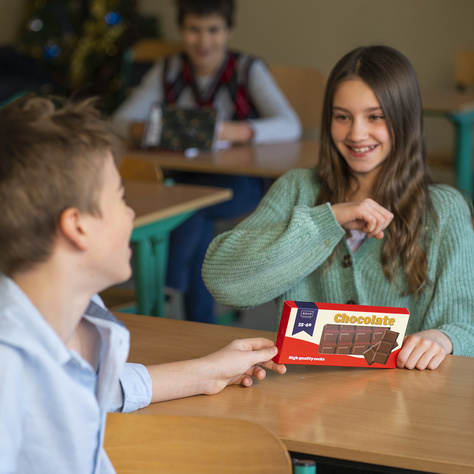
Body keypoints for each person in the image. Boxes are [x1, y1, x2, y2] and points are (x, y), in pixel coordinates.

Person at [0, 95, 287, 473]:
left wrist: (210, 371)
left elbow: (107, 389)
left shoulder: (81, 316)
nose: (132, 212)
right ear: (78, 227)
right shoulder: (10, 369)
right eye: (121, 197)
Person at [202, 45, 474, 370]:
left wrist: (444, 339)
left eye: (376, 117)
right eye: (342, 117)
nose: (356, 134)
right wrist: (328, 221)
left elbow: (465, 325)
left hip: (402, 404)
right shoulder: (297, 188)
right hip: (302, 401)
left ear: (404, 119)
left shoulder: (444, 209)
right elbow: (222, 281)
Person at [112, 0, 301, 324]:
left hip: (242, 183)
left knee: (191, 207)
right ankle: (199, 321)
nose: (203, 41)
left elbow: (290, 124)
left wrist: (237, 130)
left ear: (228, 31)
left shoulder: (247, 69)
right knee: (195, 211)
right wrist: (151, 128)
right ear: (182, 30)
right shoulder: (168, 69)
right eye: (193, 30)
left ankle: (167, 288)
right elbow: (120, 120)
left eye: (213, 30)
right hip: (186, 177)